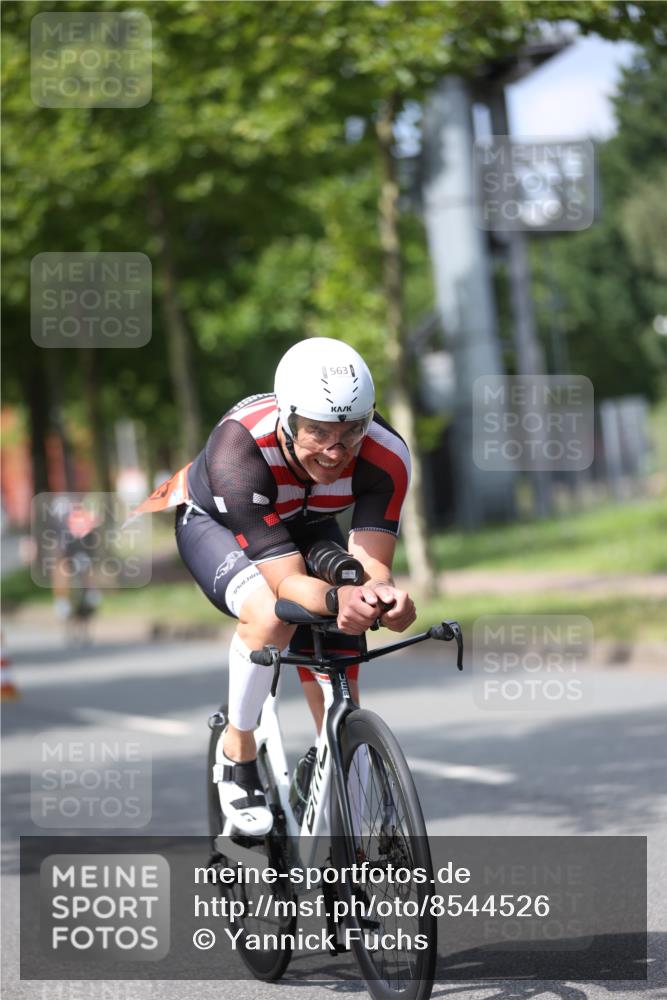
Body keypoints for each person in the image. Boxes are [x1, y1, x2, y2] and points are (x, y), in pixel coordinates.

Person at [138, 337, 415, 836]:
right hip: (219, 525)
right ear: (287, 419)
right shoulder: (238, 449)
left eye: (352, 430)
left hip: (307, 527)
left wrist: (381, 597)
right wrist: (336, 599)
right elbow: (287, 584)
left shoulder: (385, 454)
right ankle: (238, 752)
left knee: (343, 642)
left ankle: (341, 776)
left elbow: (373, 566)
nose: (336, 451)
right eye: (318, 432)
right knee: (271, 613)